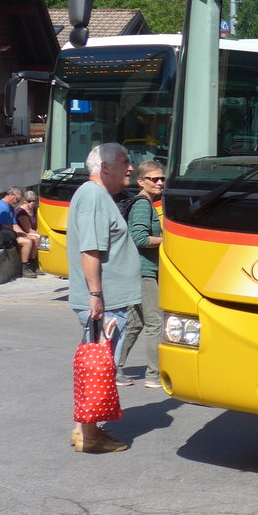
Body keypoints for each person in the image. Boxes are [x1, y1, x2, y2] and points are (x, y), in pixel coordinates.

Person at [67, 143, 142, 453]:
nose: (130, 168)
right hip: (105, 302)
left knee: (100, 365)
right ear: (105, 167)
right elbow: (90, 251)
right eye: (124, 162)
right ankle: (90, 435)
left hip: (108, 299)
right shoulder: (94, 196)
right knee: (100, 366)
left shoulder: (98, 196)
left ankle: (85, 429)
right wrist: (96, 296)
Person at [116, 160, 164, 390]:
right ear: (141, 181)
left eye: (162, 178)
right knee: (155, 322)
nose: (160, 182)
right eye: (154, 179)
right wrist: (169, 241)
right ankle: (154, 375)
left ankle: (113, 367)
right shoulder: (143, 205)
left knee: (135, 323)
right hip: (144, 271)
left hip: (139, 270)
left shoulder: (147, 203)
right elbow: (140, 238)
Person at [0, 186, 36, 278]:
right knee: (27, 242)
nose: (17, 202)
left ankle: (32, 264)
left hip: (6, 233)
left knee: (31, 238)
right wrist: (23, 236)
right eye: (17, 199)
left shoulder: (9, 207)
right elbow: (6, 226)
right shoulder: (2, 208)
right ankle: (24, 268)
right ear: (11, 195)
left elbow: (14, 224)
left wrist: (25, 234)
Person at [15, 190, 42, 276]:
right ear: (24, 201)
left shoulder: (34, 209)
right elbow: (28, 229)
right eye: (29, 201)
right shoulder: (21, 212)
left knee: (40, 237)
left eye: (33, 201)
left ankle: (34, 263)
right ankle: (30, 264)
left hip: (32, 232)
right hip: (23, 232)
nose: (32, 203)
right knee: (36, 239)